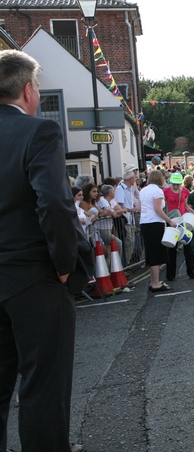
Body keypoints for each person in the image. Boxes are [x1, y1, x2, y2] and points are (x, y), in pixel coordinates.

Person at [0, 49, 91, 451]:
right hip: (33, 276)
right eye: (37, 86)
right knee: (42, 386)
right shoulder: (38, 132)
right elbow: (54, 202)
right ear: (27, 90)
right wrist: (65, 263)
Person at [140, 170, 177, 292]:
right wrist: (170, 221)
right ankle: (156, 283)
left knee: (151, 253)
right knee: (157, 253)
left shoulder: (143, 190)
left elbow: (140, 207)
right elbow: (158, 209)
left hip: (144, 223)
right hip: (155, 223)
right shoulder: (157, 191)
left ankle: (153, 281)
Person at [163, 173, 194, 281]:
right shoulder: (165, 191)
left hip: (183, 221)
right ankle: (170, 275)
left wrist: (191, 211)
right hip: (172, 221)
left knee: (188, 247)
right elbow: (163, 206)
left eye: (177, 184)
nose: (176, 186)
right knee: (172, 249)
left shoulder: (185, 191)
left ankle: (191, 272)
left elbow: (185, 205)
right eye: (174, 184)